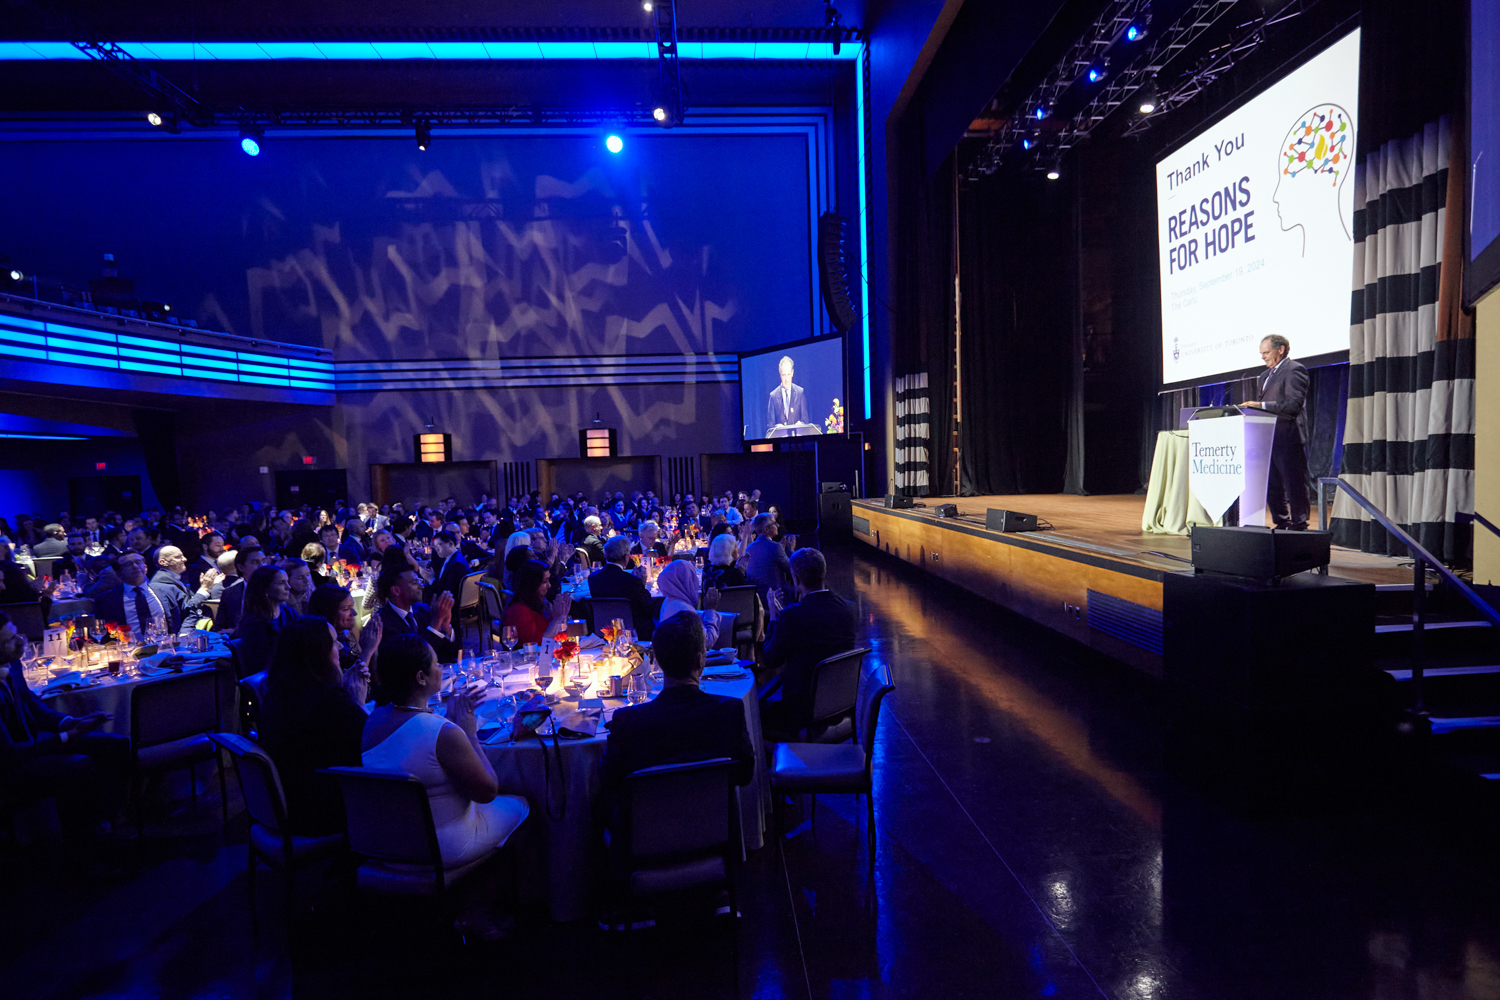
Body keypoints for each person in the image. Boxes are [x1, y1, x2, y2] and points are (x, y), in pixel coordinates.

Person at [361, 634, 529, 938]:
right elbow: (489, 790)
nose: (442, 669)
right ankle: (479, 910)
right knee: (524, 805)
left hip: (386, 844)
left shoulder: (372, 721)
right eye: (437, 663)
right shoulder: (442, 732)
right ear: (421, 677)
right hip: (440, 848)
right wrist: (469, 734)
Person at [598, 610, 754, 825]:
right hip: (712, 830)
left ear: (659, 663)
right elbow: (744, 775)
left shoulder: (628, 721)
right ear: (701, 660)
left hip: (647, 842)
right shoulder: (729, 711)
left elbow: (608, 781)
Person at [0, 610, 130, 840]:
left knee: (115, 745)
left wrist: (72, 722)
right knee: (78, 766)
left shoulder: (12, 664)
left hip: (30, 747)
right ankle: (81, 850)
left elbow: (34, 706)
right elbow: (10, 754)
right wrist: (67, 737)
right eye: (11, 640)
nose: (21, 641)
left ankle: (107, 822)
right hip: (10, 767)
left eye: (16, 633)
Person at [257, 615, 370, 836]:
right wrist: (357, 702)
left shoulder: (280, 690)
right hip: (320, 811)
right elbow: (371, 741)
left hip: (289, 801)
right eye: (333, 641)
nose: (339, 646)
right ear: (318, 652)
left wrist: (343, 692)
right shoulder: (326, 699)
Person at [758, 547, 858, 737]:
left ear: (796, 579)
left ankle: (778, 764)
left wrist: (773, 619)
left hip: (802, 709)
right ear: (824, 572)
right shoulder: (850, 609)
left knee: (751, 713)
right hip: (841, 703)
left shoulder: (791, 616)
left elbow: (771, 659)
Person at [1243, 334, 1311, 531]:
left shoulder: (1295, 370)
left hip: (1288, 437)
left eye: (1266, 352)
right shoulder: (1264, 376)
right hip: (1266, 437)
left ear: (1280, 349)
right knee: (1272, 483)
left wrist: (1261, 405)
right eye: (1261, 353)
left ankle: (1299, 522)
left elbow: (1293, 405)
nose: (1263, 357)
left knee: (1293, 481)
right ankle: (1281, 520)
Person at [374, 562, 459, 672]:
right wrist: (436, 624)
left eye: (420, 581)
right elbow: (413, 662)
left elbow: (452, 654)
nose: (421, 586)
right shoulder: (382, 623)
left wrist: (446, 627)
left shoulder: (424, 609)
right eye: (415, 582)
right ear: (396, 590)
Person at [232, 565, 296, 678]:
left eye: (287, 582)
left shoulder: (288, 613)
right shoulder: (253, 623)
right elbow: (261, 664)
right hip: (272, 680)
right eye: (281, 583)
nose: (288, 587)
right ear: (265, 589)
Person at [588, 536, 657, 640]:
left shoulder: (593, 578)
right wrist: (642, 585)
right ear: (626, 557)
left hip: (604, 630)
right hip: (634, 632)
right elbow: (647, 609)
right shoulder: (632, 581)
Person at [95, 551, 175, 636]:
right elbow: (101, 630)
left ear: (146, 567)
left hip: (165, 646)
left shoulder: (166, 591)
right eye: (128, 564)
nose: (135, 566)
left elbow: (186, 615)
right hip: (128, 647)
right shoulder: (105, 600)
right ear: (119, 573)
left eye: (138, 562)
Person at [308, 584, 382, 673]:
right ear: (329, 612)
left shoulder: (346, 634)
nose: (354, 613)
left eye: (352, 607)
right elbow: (351, 681)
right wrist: (367, 651)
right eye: (346, 609)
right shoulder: (321, 644)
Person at [499, 559, 571, 646]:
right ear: (532, 585)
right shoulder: (518, 611)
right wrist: (557, 618)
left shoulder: (538, 603)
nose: (549, 585)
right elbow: (539, 644)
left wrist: (560, 617)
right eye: (545, 581)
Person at [655, 558, 720, 647]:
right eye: (693, 577)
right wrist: (711, 610)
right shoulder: (684, 610)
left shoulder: (668, 602)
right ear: (687, 581)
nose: (696, 582)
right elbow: (707, 642)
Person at [148, 545, 212, 630]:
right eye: (178, 557)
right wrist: (204, 589)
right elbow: (187, 610)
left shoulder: (172, 579)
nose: (185, 559)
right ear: (163, 562)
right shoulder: (162, 585)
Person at [742, 513, 790, 605]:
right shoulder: (775, 547)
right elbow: (791, 569)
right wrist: (790, 550)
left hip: (756, 600)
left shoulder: (749, 548)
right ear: (766, 529)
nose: (778, 525)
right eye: (774, 523)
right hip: (776, 599)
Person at [215, 545, 265, 633]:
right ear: (241, 567)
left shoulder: (275, 590)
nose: (262, 566)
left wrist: (236, 632)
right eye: (255, 562)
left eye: (264, 561)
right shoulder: (229, 593)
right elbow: (219, 627)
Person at [425, 530, 469, 604]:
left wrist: (431, 579)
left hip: (449, 606)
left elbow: (447, 593)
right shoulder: (452, 558)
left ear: (450, 544)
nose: (437, 550)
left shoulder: (456, 564)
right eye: (435, 547)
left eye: (439, 545)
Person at [702, 532, 749, 598]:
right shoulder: (735, 574)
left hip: (710, 607)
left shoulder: (707, 569)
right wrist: (741, 573)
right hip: (731, 608)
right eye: (735, 547)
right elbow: (747, 596)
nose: (738, 549)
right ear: (729, 551)